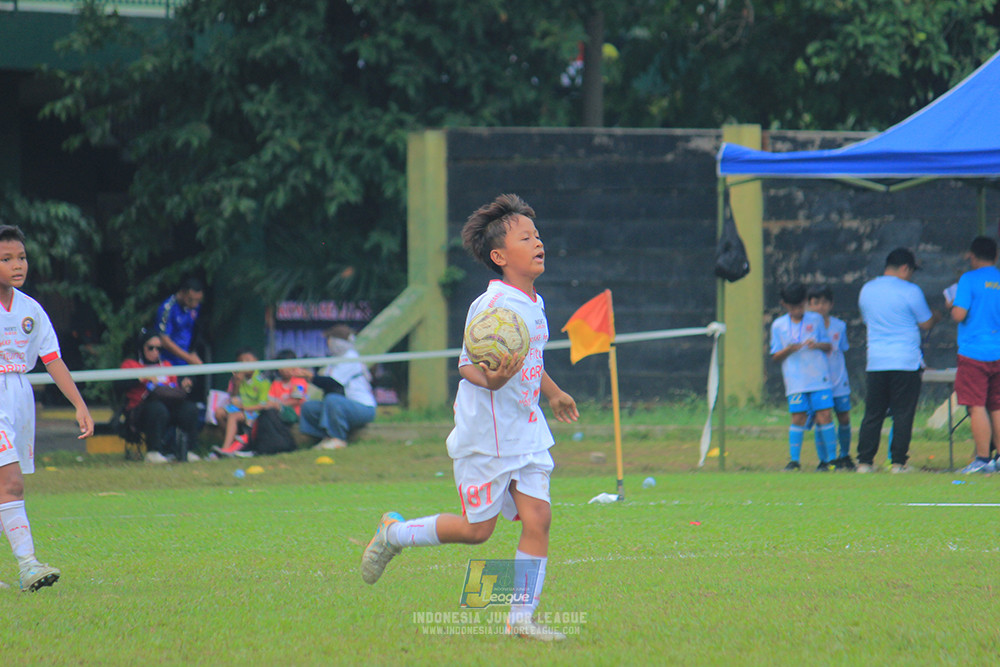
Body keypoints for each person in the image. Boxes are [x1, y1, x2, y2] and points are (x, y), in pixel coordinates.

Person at [359, 193, 579, 641]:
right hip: (488, 435)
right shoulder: (492, 307)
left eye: (538, 236)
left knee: (539, 519)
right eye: (526, 238)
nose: (539, 243)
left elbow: (529, 360)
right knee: (477, 531)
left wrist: (553, 393)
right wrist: (491, 382)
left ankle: (520, 620)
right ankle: (394, 533)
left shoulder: (533, 302)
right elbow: (465, 364)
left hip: (527, 429)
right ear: (499, 256)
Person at [0, 224, 95, 592]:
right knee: (11, 484)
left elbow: (52, 359)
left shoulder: (31, 310)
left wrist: (79, 404)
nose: (17, 265)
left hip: (20, 397)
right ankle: (28, 566)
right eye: (6, 259)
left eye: (21, 257)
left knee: (5, 488)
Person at [856, 248, 941, 473]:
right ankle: (898, 462)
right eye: (911, 271)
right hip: (905, 360)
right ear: (904, 268)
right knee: (902, 413)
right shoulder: (911, 291)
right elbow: (926, 323)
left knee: (873, 413)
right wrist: (937, 316)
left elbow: (868, 320)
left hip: (876, 360)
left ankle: (864, 461)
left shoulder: (867, 289)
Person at [769, 282, 837, 471]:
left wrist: (817, 344)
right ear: (784, 304)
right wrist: (790, 349)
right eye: (792, 307)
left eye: (800, 306)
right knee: (798, 417)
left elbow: (828, 345)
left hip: (818, 377)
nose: (797, 310)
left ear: (805, 302)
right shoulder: (778, 325)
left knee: (824, 415)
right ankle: (794, 460)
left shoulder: (815, 320)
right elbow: (775, 356)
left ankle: (831, 460)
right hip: (795, 380)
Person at [950, 237, 1000, 473]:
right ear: (996, 256)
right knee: (997, 405)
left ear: (972, 255)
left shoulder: (968, 279)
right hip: (998, 351)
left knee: (976, 405)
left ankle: (982, 459)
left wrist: (952, 304)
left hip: (974, 353)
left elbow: (959, 315)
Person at [120, 329, 201, 463]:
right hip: (141, 410)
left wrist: (184, 385)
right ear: (142, 347)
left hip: (169, 406)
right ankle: (153, 452)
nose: (155, 352)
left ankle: (188, 450)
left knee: (190, 409)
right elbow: (120, 385)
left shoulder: (167, 366)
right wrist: (143, 378)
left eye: (158, 348)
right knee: (157, 410)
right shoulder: (131, 365)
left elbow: (174, 386)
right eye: (151, 348)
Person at [298, 325, 377, 450]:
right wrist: (309, 376)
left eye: (329, 339)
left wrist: (310, 377)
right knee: (309, 407)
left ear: (337, 342)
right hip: (343, 405)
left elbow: (333, 383)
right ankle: (325, 437)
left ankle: (338, 438)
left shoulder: (350, 358)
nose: (328, 343)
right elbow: (326, 383)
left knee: (332, 400)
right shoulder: (335, 360)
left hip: (362, 408)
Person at [807, 285, 855, 470]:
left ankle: (844, 455)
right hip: (817, 380)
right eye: (816, 303)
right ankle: (825, 459)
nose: (820, 307)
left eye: (824, 302)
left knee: (843, 417)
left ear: (831, 304)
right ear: (809, 305)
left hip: (838, 379)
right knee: (822, 418)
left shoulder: (839, 326)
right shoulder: (807, 327)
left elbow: (841, 349)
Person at [213, 349, 271, 457]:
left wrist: (244, 407)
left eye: (248, 360)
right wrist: (237, 383)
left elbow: (263, 404)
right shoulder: (238, 378)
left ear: (256, 361)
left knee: (233, 417)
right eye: (241, 361)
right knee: (219, 413)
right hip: (240, 408)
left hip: (254, 410)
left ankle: (225, 449)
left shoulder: (262, 380)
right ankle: (235, 440)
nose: (244, 364)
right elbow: (233, 397)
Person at [156, 278, 204, 367]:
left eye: (198, 300)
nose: (194, 304)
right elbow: (164, 340)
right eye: (190, 300)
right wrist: (188, 358)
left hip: (187, 360)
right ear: (182, 293)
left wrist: (193, 352)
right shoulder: (168, 308)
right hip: (169, 362)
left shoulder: (195, 307)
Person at [267, 349, 310, 423]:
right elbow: (270, 402)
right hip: (279, 417)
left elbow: (296, 400)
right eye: (280, 366)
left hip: (296, 417)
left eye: (286, 365)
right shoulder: (276, 383)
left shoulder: (299, 380)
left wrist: (278, 404)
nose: (283, 369)